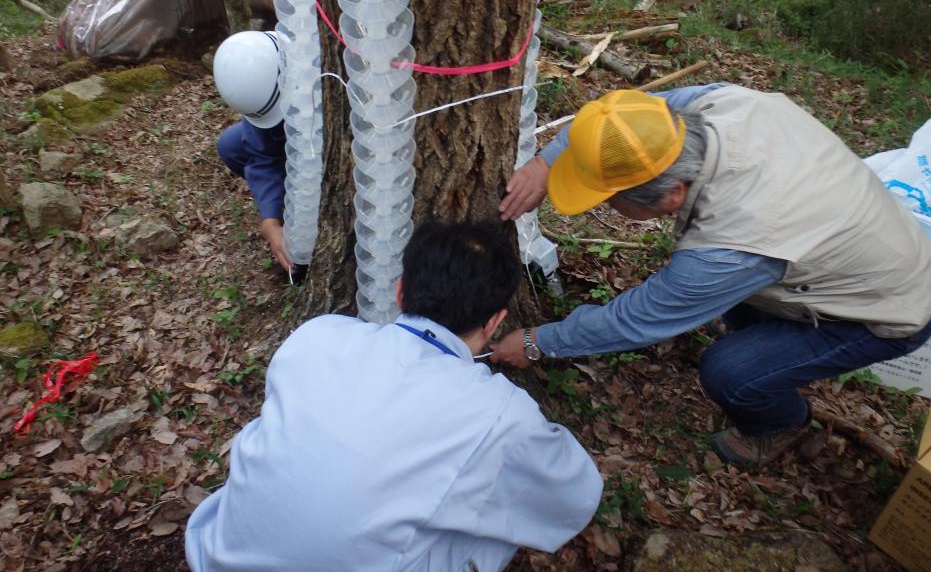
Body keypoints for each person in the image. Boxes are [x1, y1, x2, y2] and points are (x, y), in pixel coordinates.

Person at [494, 84, 931, 467]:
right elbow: (618, 116)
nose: (604, 207)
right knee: (735, 309)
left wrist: (538, 342)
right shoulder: (717, 106)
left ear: (672, 195)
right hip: (858, 246)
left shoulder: (733, 244)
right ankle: (770, 336)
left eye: (608, 200)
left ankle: (782, 423)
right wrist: (546, 162)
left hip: (891, 308)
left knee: (730, 372)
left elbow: (635, 320)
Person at [184, 220, 603, 572]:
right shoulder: (499, 412)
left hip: (215, 554)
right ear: (495, 322)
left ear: (400, 291)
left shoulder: (319, 333)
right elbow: (576, 495)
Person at [213, 30, 291, 273]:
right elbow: (261, 154)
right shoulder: (260, 85)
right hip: (283, 132)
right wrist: (271, 219)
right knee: (231, 144)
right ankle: (289, 208)